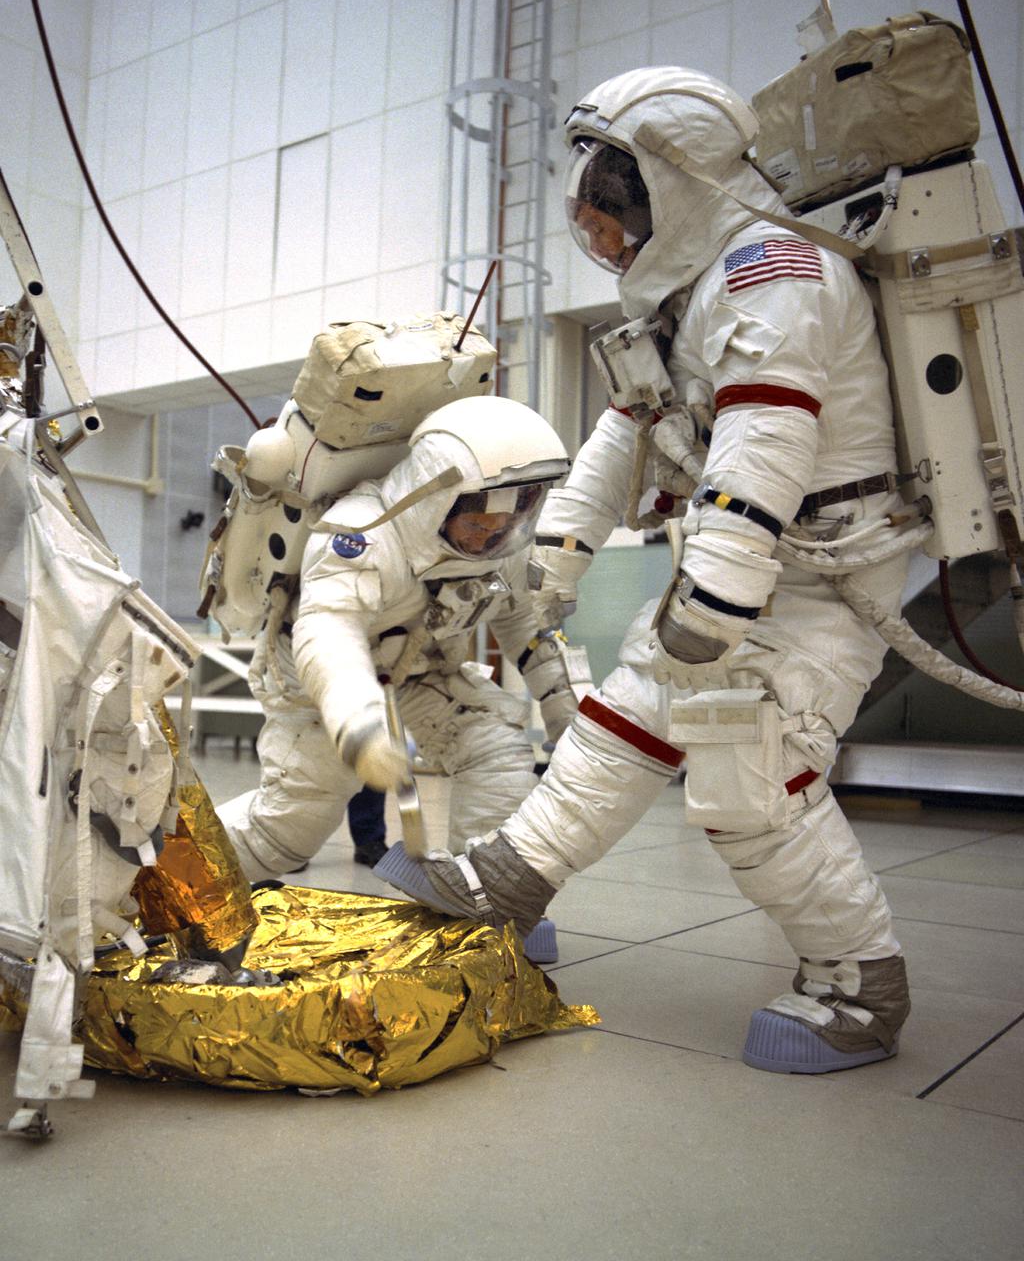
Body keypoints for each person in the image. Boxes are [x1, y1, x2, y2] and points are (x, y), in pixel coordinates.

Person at [378, 67, 913, 1074]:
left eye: (609, 201)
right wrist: (552, 564)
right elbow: (623, 438)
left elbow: (763, 440)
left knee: (745, 767)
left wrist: (714, 592)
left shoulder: (776, 273)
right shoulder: (685, 294)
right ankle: (511, 875)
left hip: (826, 568)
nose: (597, 225)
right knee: (628, 709)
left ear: (672, 180)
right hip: (762, 560)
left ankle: (858, 978)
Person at [217, 395, 573, 893]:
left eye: (505, 525)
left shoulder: (503, 545)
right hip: (323, 687)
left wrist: (568, 718)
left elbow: (520, 620)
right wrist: (359, 724)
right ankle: (164, 883)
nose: (488, 537)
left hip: (421, 671)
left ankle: (483, 902)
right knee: (290, 829)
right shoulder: (363, 532)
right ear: (433, 500)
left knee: (498, 755)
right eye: (475, 523)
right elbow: (329, 631)